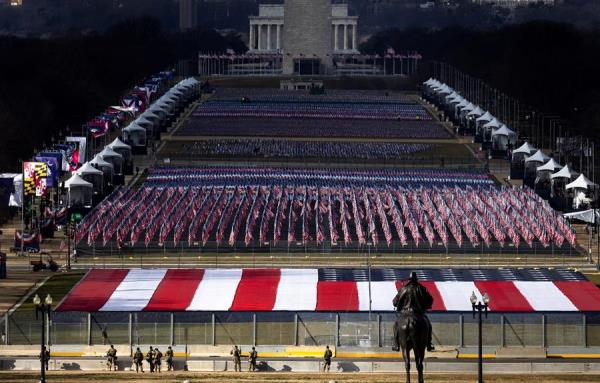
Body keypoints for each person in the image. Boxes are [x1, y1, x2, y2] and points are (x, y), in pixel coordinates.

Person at [392, 272, 435, 352]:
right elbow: (430, 300)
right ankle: (429, 344)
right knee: (428, 325)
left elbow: (395, 302)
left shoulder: (403, 288)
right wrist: (426, 305)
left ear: (409, 280)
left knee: (396, 325)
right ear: (416, 279)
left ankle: (396, 344)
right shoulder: (422, 288)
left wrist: (399, 305)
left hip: (405, 312)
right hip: (418, 313)